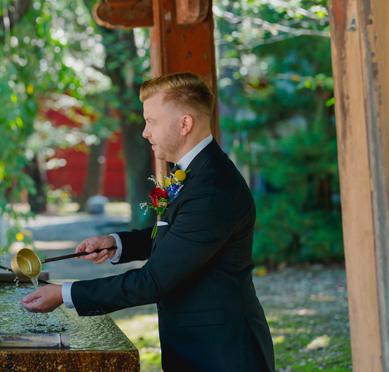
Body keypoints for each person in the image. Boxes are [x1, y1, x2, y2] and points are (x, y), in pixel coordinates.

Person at [21, 72, 275, 372]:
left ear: (184, 124)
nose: (145, 132)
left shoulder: (213, 187)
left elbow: (153, 281)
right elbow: (177, 236)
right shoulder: (195, 172)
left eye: (152, 121)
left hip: (224, 351)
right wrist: (117, 244)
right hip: (195, 343)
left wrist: (64, 293)